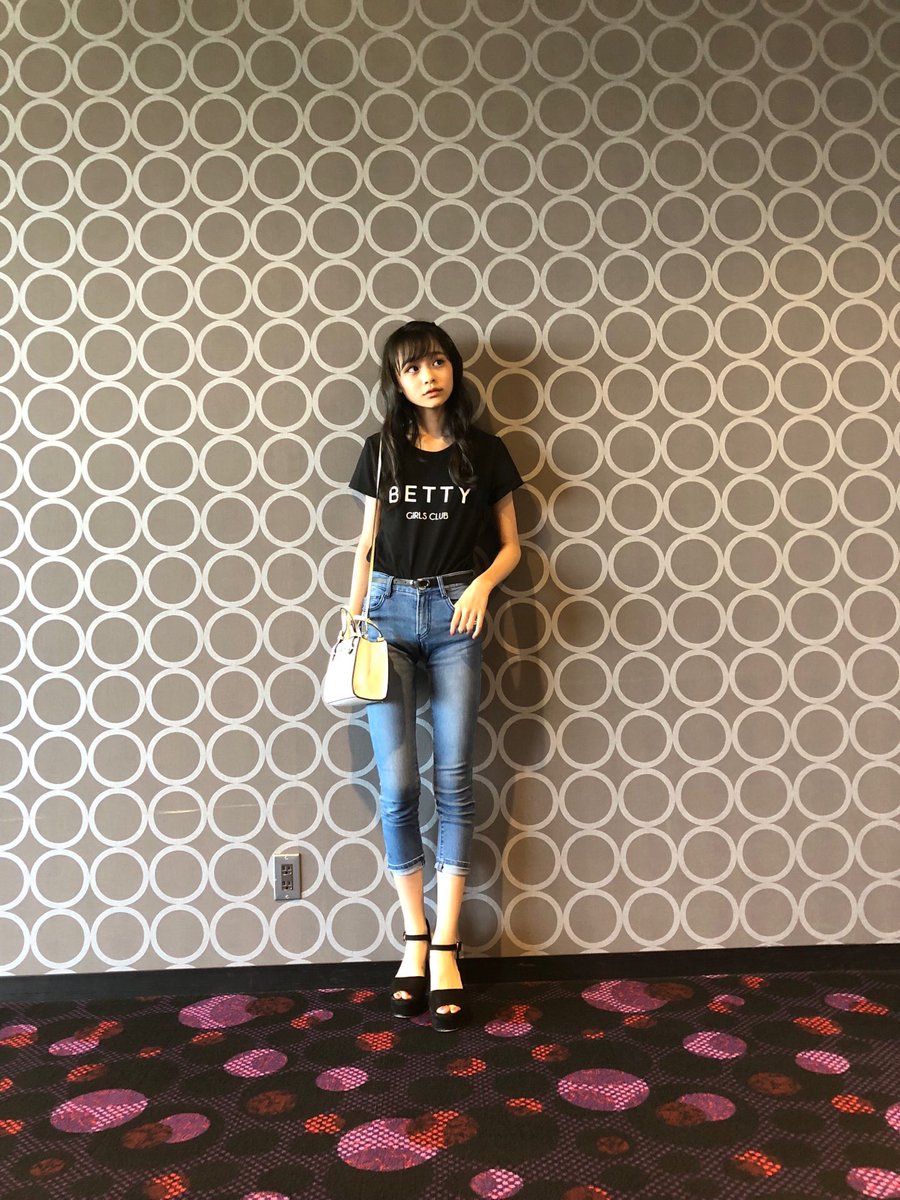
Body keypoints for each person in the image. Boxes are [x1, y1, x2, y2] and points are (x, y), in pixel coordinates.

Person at [346, 319, 522, 1031]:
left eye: (438, 362)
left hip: (456, 615)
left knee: (454, 779)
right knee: (397, 785)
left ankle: (447, 945)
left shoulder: (486, 452)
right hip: (385, 616)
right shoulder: (381, 450)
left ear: (454, 369)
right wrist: (353, 617)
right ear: (396, 380)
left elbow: (511, 546)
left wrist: (480, 587)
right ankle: (413, 937)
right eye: (413, 367)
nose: (429, 376)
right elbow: (366, 543)